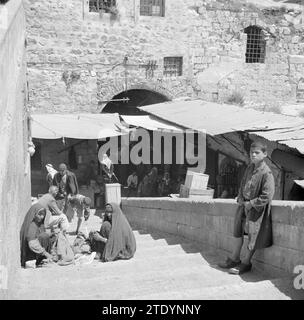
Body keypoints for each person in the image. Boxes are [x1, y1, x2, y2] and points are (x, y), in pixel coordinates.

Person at [218, 141, 275, 275]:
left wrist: (252, 203)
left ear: (265, 154)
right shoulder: (249, 168)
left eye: (257, 153)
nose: (253, 155)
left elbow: (267, 195)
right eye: (251, 153)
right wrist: (240, 197)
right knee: (237, 232)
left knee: (252, 237)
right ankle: (234, 258)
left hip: (256, 210)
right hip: (243, 205)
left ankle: (246, 263)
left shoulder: (267, 173)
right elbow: (243, 184)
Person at [20, 203, 53, 267]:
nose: (42, 217)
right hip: (31, 255)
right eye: (40, 214)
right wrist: (46, 254)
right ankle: (39, 260)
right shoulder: (32, 225)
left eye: (43, 214)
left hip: (38, 251)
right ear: (34, 214)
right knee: (44, 236)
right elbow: (32, 243)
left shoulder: (39, 224)